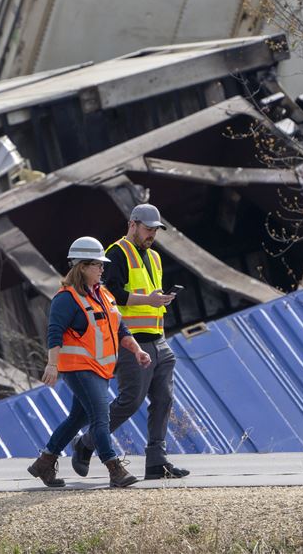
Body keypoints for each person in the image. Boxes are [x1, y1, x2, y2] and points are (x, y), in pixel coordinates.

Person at [71, 203, 191, 480]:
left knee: (164, 399)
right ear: (133, 224)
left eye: (155, 231)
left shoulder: (155, 258)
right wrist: (149, 300)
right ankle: (85, 443)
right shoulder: (115, 253)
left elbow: (146, 295)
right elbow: (110, 294)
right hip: (131, 341)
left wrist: (159, 299)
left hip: (159, 339)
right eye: (148, 229)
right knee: (130, 401)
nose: (152, 235)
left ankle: (156, 462)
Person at [26, 236, 152, 488]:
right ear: (82, 266)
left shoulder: (103, 294)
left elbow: (120, 328)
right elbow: (54, 332)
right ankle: (114, 469)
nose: (102, 269)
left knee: (77, 419)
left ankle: (44, 462)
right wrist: (52, 364)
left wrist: (137, 350)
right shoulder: (66, 298)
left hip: (101, 369)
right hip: (78, 369)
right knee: (101, 416)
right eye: (98, 264)